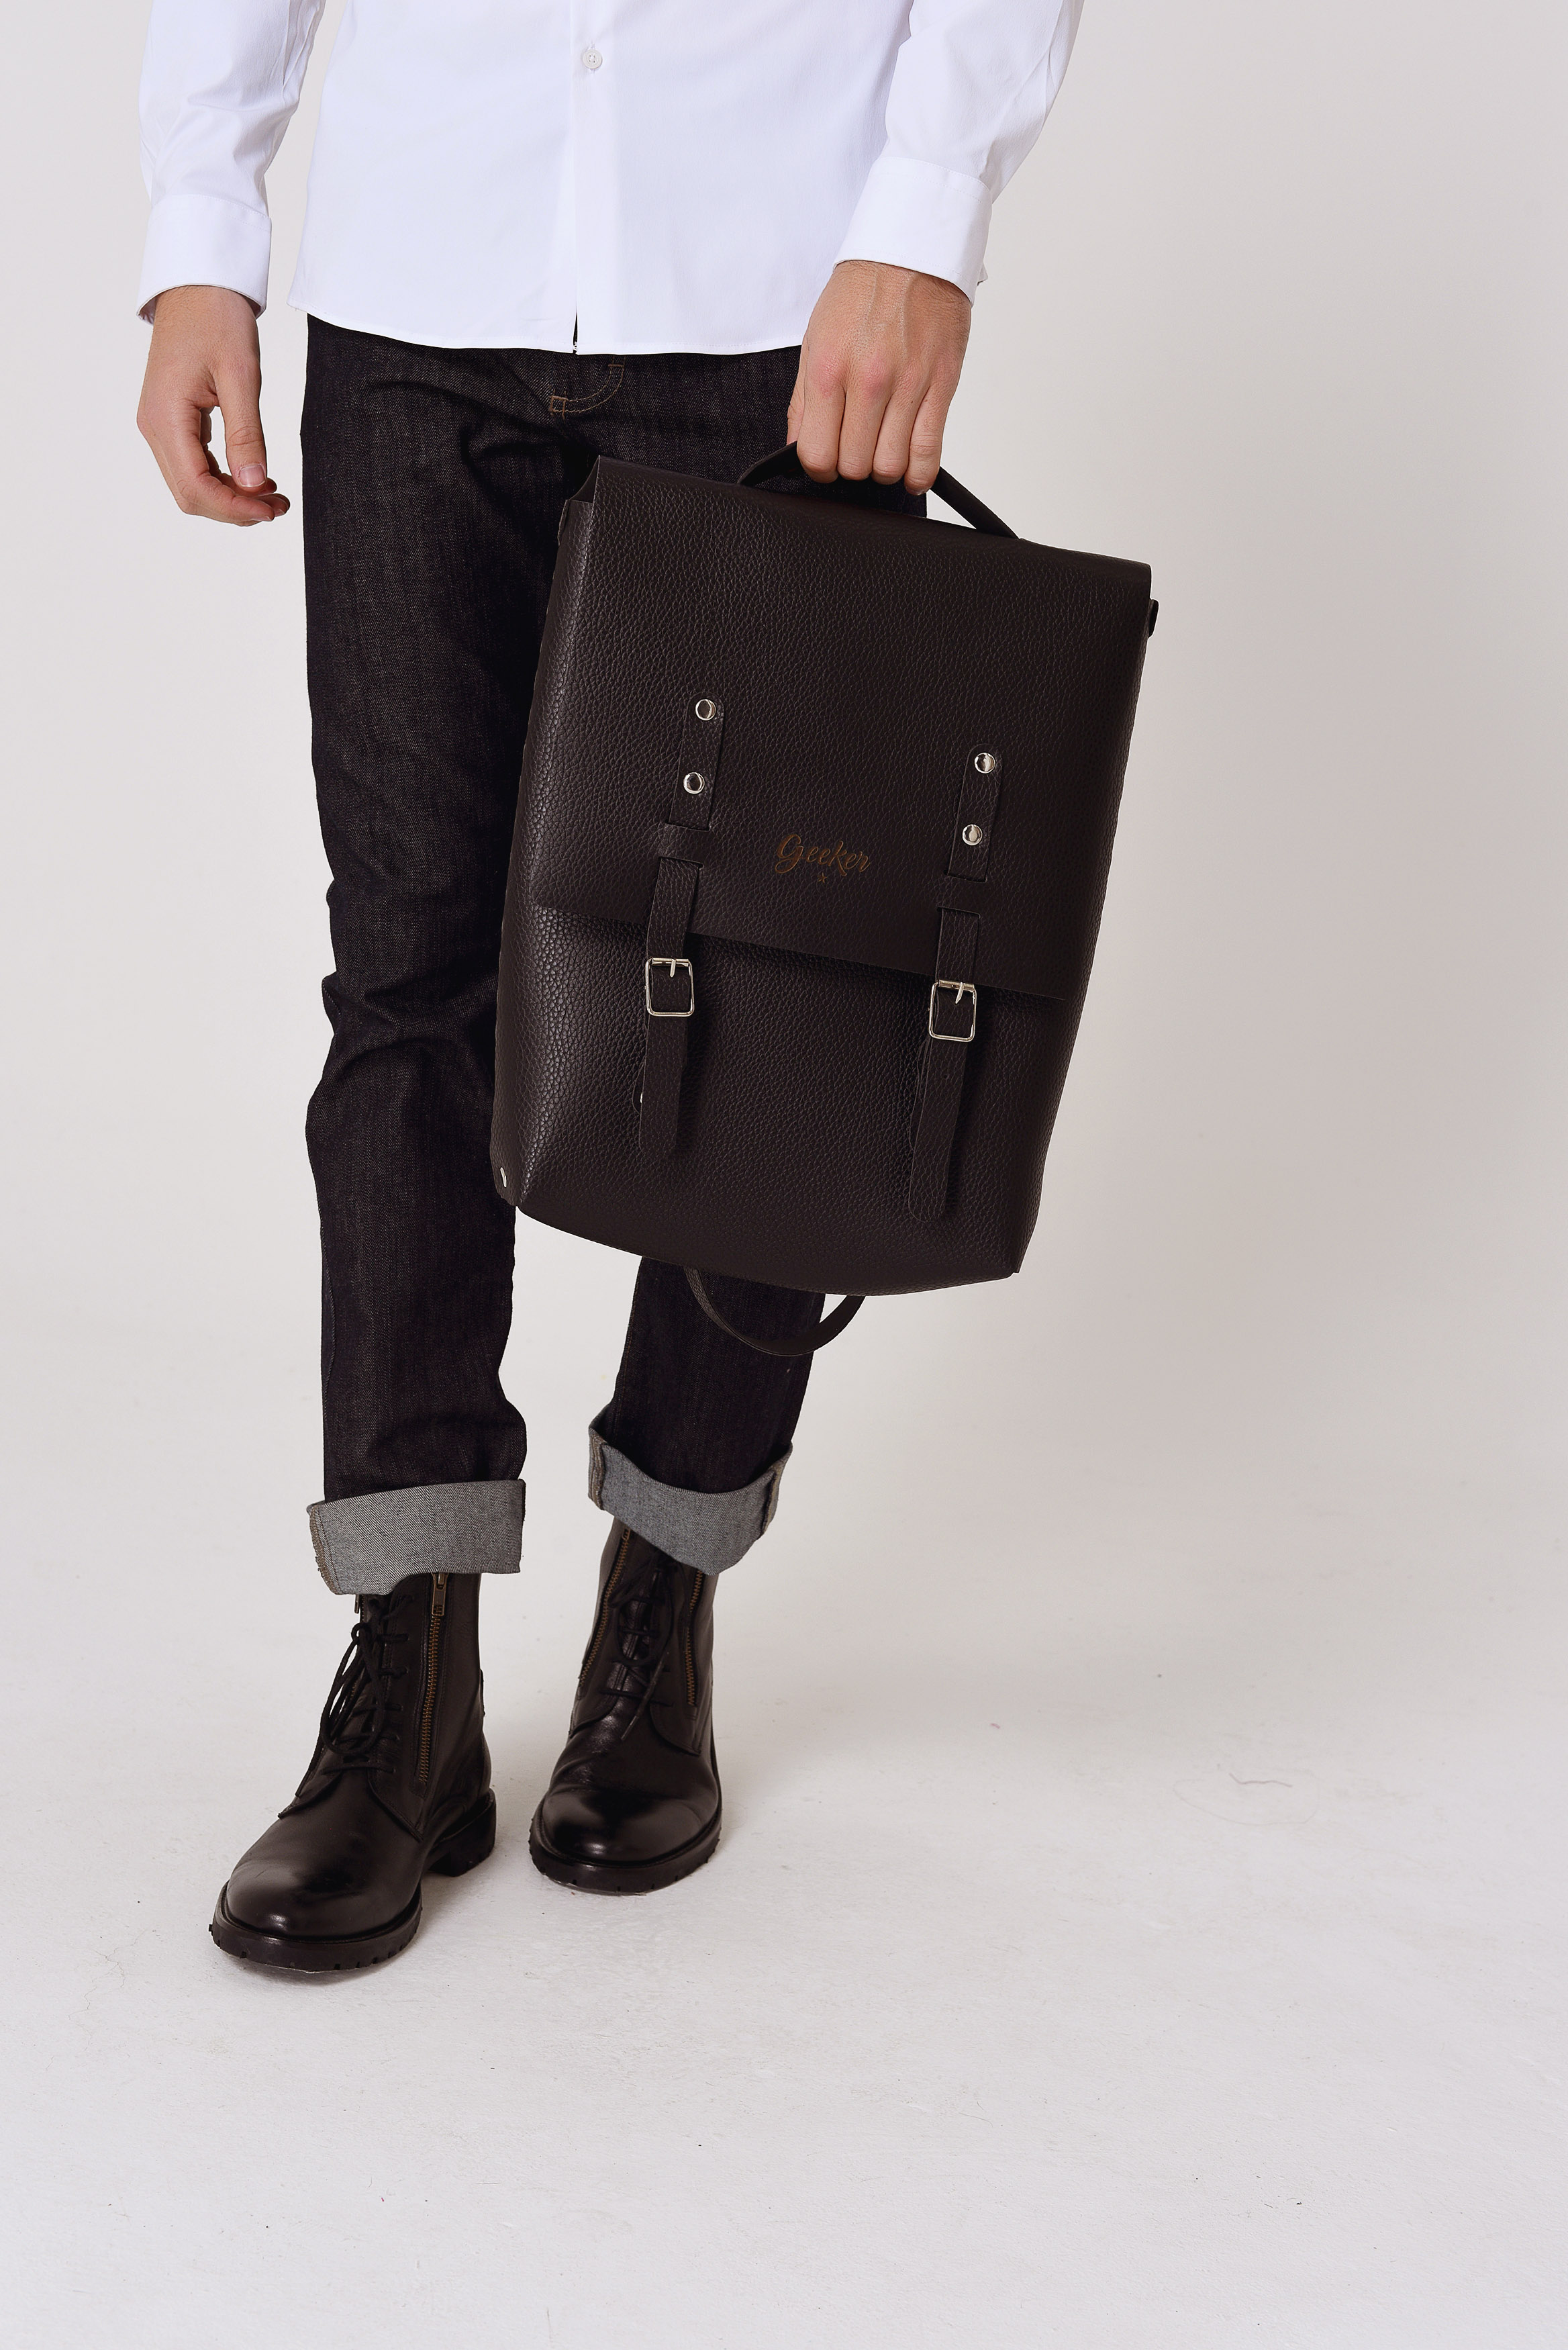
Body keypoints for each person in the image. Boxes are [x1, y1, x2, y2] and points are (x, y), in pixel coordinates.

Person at [136, 1, 1085, 1972]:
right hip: (418, 292)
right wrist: (200, 226)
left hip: (774, 298)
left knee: (774, 999)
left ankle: (666, 1600)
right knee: (409, 985)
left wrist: (926, 212)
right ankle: (408, 1666)